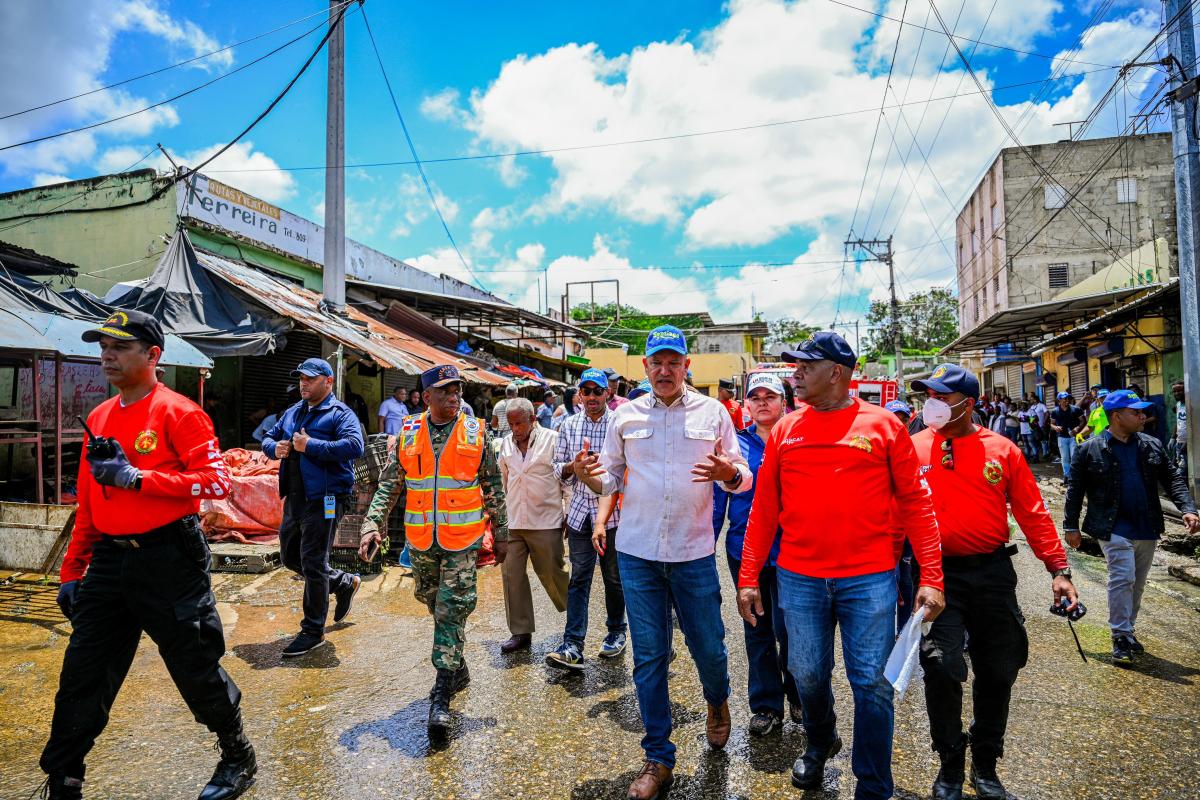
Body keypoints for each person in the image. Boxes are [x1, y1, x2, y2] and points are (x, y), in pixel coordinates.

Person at [42, 310, 253, 800]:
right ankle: (64, 776)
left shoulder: (179, 412)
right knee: (82, 672)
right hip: (110, 563)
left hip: (169, 558)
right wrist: (73, 570)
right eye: (102, 347)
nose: (106, 356)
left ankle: (236, 752)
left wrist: (138, 478)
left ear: (153, 355)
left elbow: (218, 481)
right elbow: (90, 499)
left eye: (119, 347)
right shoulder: (99, 417)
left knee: (194, 665)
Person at [736, 331, 945, 800]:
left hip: (868, 579)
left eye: (805, 367)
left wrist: (931, 576)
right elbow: (765, 509)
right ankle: (820, 739)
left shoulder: (884, 427)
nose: (796, 374)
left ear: (836, 373)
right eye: (795, 366)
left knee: (871, 682)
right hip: (799, 577)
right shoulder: (789, 429)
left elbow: (916, 504)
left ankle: (872, 782)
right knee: (806, 673)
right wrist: (748, 577)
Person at [574, 327, 751, 800]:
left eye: (674, 361)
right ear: (645, 368)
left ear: (686, 366)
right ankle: (658, 757)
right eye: (658, 362)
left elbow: (743, 478)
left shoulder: (713, 413)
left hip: (693, 554)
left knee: (709, 648)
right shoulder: (625, 417)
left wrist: (727, 472)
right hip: (637, 554)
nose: (666, 370)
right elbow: (609, 478)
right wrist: (591, 479)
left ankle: (717, 701)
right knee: (649, 656)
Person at [910, 364, 1078, 800]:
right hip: (936, 575)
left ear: (968, 403)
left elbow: (1033, 513)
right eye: (928, 395)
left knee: (999, 668)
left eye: (941, 396)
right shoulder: (912, 448)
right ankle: (949, 763)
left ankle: (985, 761)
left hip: (991, 573)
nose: (932, 403)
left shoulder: (1002, 450)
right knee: (940, 666)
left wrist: (1058, 570)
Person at [358, 365, 509, 735]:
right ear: (427, 397)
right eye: (444, 390)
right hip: (423, 540)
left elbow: (491, 482)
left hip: (462, 541)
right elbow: (391, 483)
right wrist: (372, 523)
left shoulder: (476, 432)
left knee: (451, 608)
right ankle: (456, 666)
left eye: (456, 389)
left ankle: (440, 697)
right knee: (431, 600)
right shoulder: (408, 432)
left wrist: (502, 530)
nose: (454, 396)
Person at [1063, 389, 1200, 665]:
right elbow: (1075, 490)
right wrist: (1071, 525)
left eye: (1142, 411)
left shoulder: (1151, 445)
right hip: (1111, 526)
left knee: (1136, 583)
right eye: (1135, 412)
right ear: (1116, 416)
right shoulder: (1089, 449)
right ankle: (1120, 635)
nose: (1143, 416)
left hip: (1146, 525)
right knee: (1123, 577)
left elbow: (1173, 478)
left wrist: (1188, 508)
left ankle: (1129, 628)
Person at [713, 372, 801, 736]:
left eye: (771, 396)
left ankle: (800, 696)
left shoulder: (798, 439)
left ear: (784, 402)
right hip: (744, 552)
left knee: (794, 629)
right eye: (756, 397)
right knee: (757, 628)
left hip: (794, 552)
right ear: (746, 405)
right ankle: (766, 705)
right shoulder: (736, 445)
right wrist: (706, 547)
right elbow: (719, 500)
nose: (763, 402)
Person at [263, 358, 365, 657]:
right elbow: (269, 437)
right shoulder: (293, 412)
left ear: (328, 382)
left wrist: (312, 446)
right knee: (290, 556)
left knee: (313, 561)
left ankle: (312, 631)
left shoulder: (340, 413)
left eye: (310, 378)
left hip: (326, 498)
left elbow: (355, 446)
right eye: (301, 379)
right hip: (295, 496)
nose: (303, 383)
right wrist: (274, 448)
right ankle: (343, 582)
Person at [548, 368, 628, 668]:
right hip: (581, 513)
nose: (592, 397)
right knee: (579, 578)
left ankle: (616, 633)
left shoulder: (618, 423)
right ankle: (573, 644)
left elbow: (621, 473)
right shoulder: (569, 425)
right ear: (579, 395)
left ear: (608, 393)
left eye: (598, 391)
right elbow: (557, 469)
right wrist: (574, 466)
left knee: (614, 578)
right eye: (587, 391)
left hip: (614, 516)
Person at [497, 398, 569, 653]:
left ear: (533, 420)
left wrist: (568, 511)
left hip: (545, 520)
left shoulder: (553, 439)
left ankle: (574, 619)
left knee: (553, 573)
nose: (515, 429)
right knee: (512, 576)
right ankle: (521, 632)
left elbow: (566, 481)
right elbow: (503, 482)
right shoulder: (505, 444)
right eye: (512, 424)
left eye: (520, 423)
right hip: (514, 520)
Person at [885, 400, 918, 630]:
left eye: (904, 418)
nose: (899, 422)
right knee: (887, 582)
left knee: (905, 580)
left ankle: (903, 631)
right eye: (894, 417)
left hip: (908, 530)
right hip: (882, 531)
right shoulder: (874, 447)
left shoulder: (917, 446)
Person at [1049, 392, 1085, 479]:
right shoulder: (1055, 411)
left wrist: (1077, 428)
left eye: (1068, 398)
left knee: (1074, 457)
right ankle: (1067, 476)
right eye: (1064, 399)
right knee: (1065, 458)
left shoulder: (1076, 409)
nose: (1067, 400)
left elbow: (1083, 421)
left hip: (1074, 437)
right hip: (1061, 437)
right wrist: (1056, 427)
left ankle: (1074, 476)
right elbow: (1051, 424)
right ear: (1059, 400)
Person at [1173, 380, 1188, 477]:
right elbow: (1178, 422)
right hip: (1179, 441)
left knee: (1184, 470)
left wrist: (1187, 443)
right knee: (1178, 466)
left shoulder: (1191, 404)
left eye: (1180, 390)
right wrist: (1172, 437)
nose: (1177, 393)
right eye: (1175, 391)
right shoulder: (1178, 405)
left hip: (1189, 443)